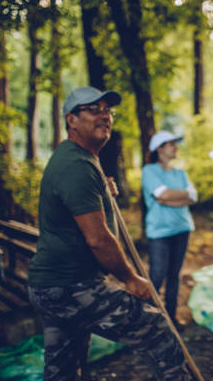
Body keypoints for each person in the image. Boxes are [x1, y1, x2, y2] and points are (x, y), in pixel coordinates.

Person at [27, 86, 192, 381]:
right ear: (71, 120)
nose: (104, 116)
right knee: (157, 330)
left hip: (53, 286)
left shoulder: (79, 159)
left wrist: (103, 189)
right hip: (72, 286)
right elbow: (98, 239)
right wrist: (130, 279)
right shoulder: (77, 164)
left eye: (107, 110)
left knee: (63, 369)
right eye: (93, 109)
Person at [142, 130, 197, 332]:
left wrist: (170, 198)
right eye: (171, 144)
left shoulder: (180, 173)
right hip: (159, 233)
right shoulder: (149, 171)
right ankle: (150, 321)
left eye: (176, 143)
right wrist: (181, 196)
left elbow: (193, 197)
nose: (176, 147)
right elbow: (161, 195)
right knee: (156, 276)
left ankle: (171, 319)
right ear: (159, 149)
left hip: (182, 229)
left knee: (174, 275)